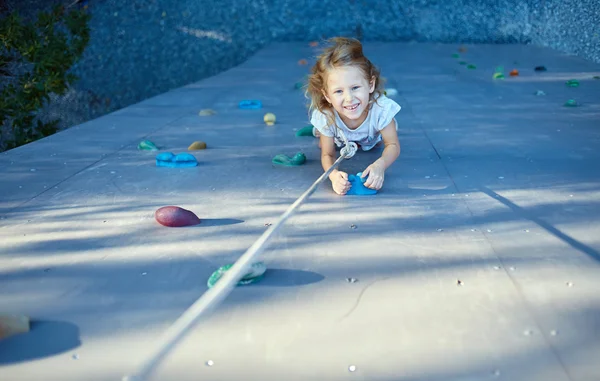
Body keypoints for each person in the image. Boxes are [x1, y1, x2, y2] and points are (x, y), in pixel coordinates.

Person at [305, 37, 401, 195]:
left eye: (355, 87)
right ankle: (321, 132)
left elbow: (393, 145)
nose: (349, 98)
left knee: (380, 140)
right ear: (327, 95)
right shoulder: (327, 116)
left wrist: (380, 165)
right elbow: (327, 154)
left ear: (370, 85)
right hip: (341, 137)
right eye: (338, 91)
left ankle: (368, 139)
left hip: (373, 135)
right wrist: (334, 176)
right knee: (324, 142)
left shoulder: (381, 110)